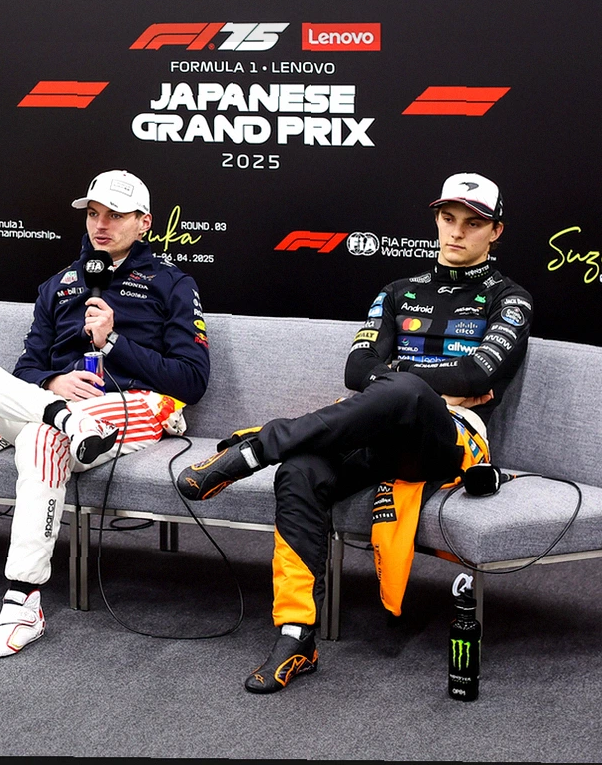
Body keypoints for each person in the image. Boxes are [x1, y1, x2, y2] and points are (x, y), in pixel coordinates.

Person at [175, 172, 533, 693]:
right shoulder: (397, 292)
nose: (456, 231)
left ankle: (257, 447)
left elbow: (478, 377)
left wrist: (407, 383)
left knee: (405, 391)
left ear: (495, 231)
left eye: (473, 223)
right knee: (300, 472)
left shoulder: (511, 299)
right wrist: (422, 384)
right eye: (448, 218)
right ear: (436, 219)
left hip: (449, 442)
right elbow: (356, 369)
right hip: (373, 430)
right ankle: (296, 638)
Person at [0, 169, 210, 657]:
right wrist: (52, 384)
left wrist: (114, 341)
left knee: (41, 436)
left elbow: (191, 381)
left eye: (116, 216)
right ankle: (63, 415)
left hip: (139, 405)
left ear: (144, 222)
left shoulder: (173, 283)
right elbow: (25, 369)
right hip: (63, 410)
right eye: (94, 214)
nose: (101, 225)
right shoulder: (57, 284)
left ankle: (22, 604)